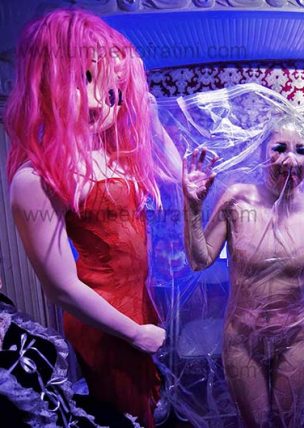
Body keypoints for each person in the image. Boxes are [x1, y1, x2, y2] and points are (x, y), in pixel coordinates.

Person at [6, 9, 176, 426]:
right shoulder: (37, 178)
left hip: (138, 300)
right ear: (46, 81)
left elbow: (177, 177)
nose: (100, 102)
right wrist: (134, 333)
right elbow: (62, 288)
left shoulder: (112, 154)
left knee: (144, 404)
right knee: (124, 413)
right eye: (84, 80)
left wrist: (152, 118)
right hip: (104, 315)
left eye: (113, 93)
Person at [182, 116, 304, 427]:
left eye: (301, 150)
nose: (291, 160)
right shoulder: (238, 198)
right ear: (263, 153)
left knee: (287, 423)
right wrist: (192, 208)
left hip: (295, 337)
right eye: (280, 148)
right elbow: (200, 260)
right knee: (255, 423)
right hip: (243, 337)